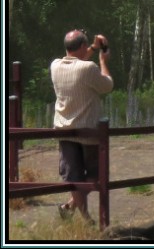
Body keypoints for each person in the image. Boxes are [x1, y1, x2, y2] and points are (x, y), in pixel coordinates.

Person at [51, 29, 114, 222]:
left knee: (73, 178)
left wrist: (93, 47)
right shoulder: (89, 68)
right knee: (96, 175)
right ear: (82, 46)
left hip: (64, 130)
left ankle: (70, 207)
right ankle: (86, 219)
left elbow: (76, 61)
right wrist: (103, 61)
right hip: (88, 131)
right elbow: (108, 85)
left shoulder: (55, 65)